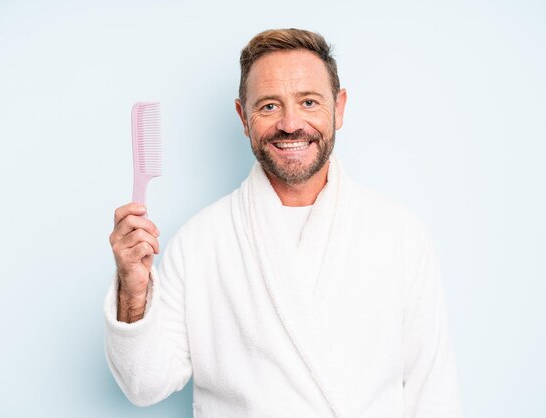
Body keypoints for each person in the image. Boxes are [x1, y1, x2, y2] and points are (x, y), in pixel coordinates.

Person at [105, 28, 462, 417]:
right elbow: (144, 385)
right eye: (269, 106)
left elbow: (435, 394)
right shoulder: (199, 243)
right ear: (243, 117)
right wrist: (133, 292)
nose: (291, 124)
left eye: (308, 102)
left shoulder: (401, 235)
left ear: (339, 108)